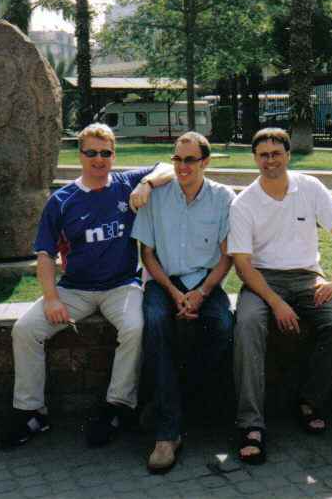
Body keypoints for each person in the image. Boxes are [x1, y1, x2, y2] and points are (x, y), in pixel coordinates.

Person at [1, 123, 173, 449]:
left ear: (114, 156)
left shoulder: (125, 184)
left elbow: (168, 166)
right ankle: (30, 412)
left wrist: (147, 183)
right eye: (91, 152)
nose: (99, 159)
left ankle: (117, 407)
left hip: (121, 286)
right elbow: (45, 255)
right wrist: (51, 298)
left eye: (106, 153)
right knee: (25, 330)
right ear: (79, 155)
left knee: (135, 328)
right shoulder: (62, 200)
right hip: (75, 289)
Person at [228, 128, 332, 465]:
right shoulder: (244, 203)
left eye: (276, 154)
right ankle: (251, 424)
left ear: (288, 155)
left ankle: (309, 401)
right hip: (262, 280)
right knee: (247, 325)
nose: (270, 160)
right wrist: (276, 302)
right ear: (255, 159)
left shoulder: (310, 187)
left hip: (307, 277)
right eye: (263, 155)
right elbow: (242, 265)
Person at [131, 132, 235, 474]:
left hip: (205, 282)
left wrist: (202, 293)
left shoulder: (223, 197)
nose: (182, 166)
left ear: (205, 162)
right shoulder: (157, 196)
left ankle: (175, 400)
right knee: (156, 323)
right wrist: (174, 293)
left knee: (223, 327)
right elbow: (147, 253)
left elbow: (227, 257)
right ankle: (167, 434)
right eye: (177, 159)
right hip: (164, 281)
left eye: (190, 160)